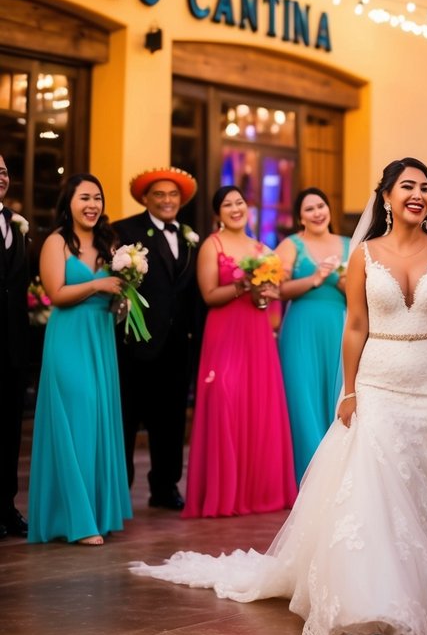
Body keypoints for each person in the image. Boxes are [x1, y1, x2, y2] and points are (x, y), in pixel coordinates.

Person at [131, 157, 427, 635]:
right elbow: (356, 326)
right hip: (379, 378)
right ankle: (381, 595)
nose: (419, 194)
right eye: (407, 186)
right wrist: (349, 389)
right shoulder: (363, 253)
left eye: (425, 187)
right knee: (381, 477)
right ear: (385, 196)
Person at [28, 175, 132, 545]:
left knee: (98, 417)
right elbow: (55, 293)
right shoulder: (55, 242)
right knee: (77, 414)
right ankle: (78, 519)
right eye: (84, 197)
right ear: (68, 202)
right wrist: (97, 285)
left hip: (100, 337)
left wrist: (123, 299)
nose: (92, 204)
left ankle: (95, 512)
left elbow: (117, 292)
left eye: (98, 198)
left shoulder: (110, 243)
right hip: (68, 337)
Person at [184, 186, 296, 517]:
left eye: (240, 203)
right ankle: (224, 494)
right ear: (218, 213)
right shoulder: (212, 246)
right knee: (225, 399)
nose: (235, 209)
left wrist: (263, 294)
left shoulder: (263, 249)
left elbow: (267, 300)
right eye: (227, 205)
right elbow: (208, 295)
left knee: (257, 405)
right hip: (224, 333)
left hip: (257, 334)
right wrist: (243, 284)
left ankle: (259, 492)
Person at [114, 167, 200, 510]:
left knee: (172, 420)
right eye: (160, 195)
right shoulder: (125, 230)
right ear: (146, 199)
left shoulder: (192, 236)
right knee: (127, 418)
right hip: (136, 342)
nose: (167, 200)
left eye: (173, 195)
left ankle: (165, 488)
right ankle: (121, 490)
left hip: (178, 344)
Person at [274, 187, 348, 482]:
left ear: (329, 209)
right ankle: (308, 477)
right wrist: (314, 278)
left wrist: (342, 282)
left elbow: (362, 293)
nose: (317, 213)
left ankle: (338, 476)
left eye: (321, 206)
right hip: (301, 329)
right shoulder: (291, 245)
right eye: (309, 209)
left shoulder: (348, 243)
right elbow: (278, 290)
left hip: (339, 327)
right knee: (301, 397)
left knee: (338, 397)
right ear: (300, 218)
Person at [0, 154, 30, 538]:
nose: (1, 178)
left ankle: (7, 507)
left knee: (9, 433)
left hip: (13, 346)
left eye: (4, 172)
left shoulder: (16, 224)